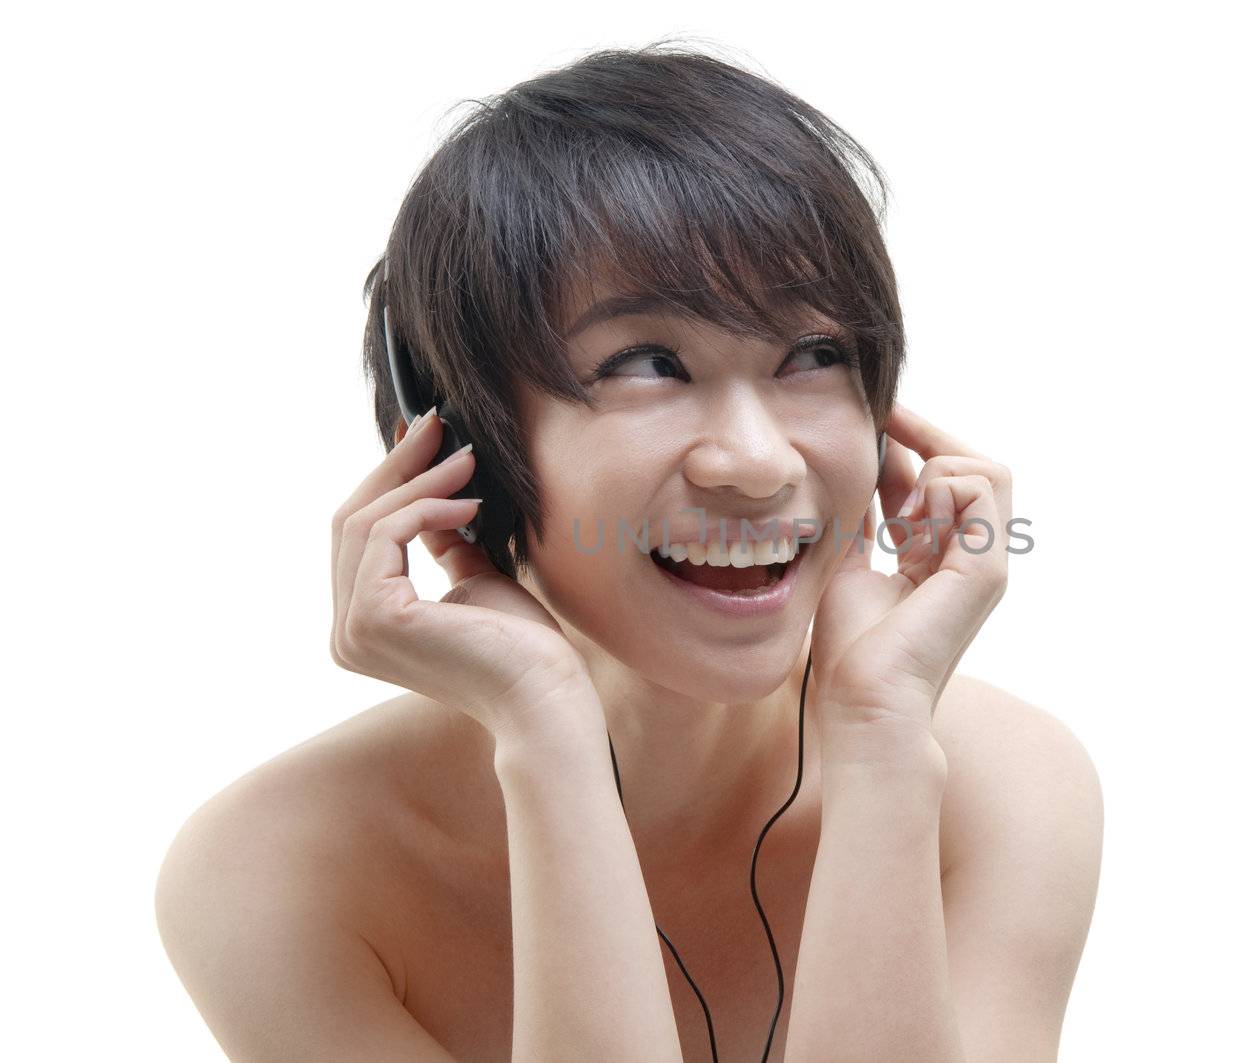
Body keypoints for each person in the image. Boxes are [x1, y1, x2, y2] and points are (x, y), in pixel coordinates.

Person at [155, 39, 1103, 1063]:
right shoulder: (277, 873)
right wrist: (549, 740)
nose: (754, 459)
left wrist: (878, 741)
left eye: (814, 355)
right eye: (648, 362)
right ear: (454, 451)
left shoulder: (993, 781)